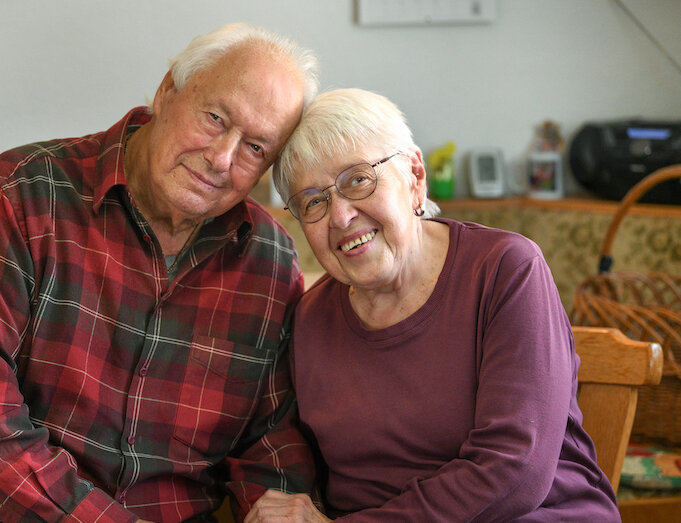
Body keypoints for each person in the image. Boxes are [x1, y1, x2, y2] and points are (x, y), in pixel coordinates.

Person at [0, 23, 320, 522]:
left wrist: (281, 509)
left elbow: (270, 441)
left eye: (255, 148)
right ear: (168, 90)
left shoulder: (269, 263)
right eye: (216, 118)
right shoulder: (22, 194)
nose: (222, 159)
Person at [246, 88, 621, 521]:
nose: (340, 217)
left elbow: (515, 472)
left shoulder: (504, 270)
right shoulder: (309, 319)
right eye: (314, 201)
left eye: (358, 180)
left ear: (415, 176)